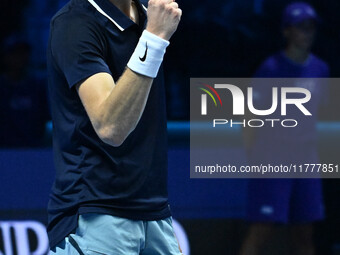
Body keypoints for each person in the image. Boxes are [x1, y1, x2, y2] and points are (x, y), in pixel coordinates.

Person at [47, 0, 182, 254]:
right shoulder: (75, 23)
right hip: (95, 217)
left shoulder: (150, 18)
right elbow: (111, 127)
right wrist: (153, 40)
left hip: (155, 215)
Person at [241, 2, 329, 255]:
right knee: (261, 230)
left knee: (305, 235)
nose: (307, 33)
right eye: (301, 27)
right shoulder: (270, 70)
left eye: (311, 27)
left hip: (307, 162)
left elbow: (318, 116)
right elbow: (250, 117)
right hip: (273, 160)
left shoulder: (321, 70)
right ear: (287, 31)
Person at [0, 35, 50, 148]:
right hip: (4, 151)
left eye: (23, 53)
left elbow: (46, 118)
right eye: (15, 54)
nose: (20, 58)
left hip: (33, 149)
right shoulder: (2, 87)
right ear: (5, 57)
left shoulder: (37, 87)